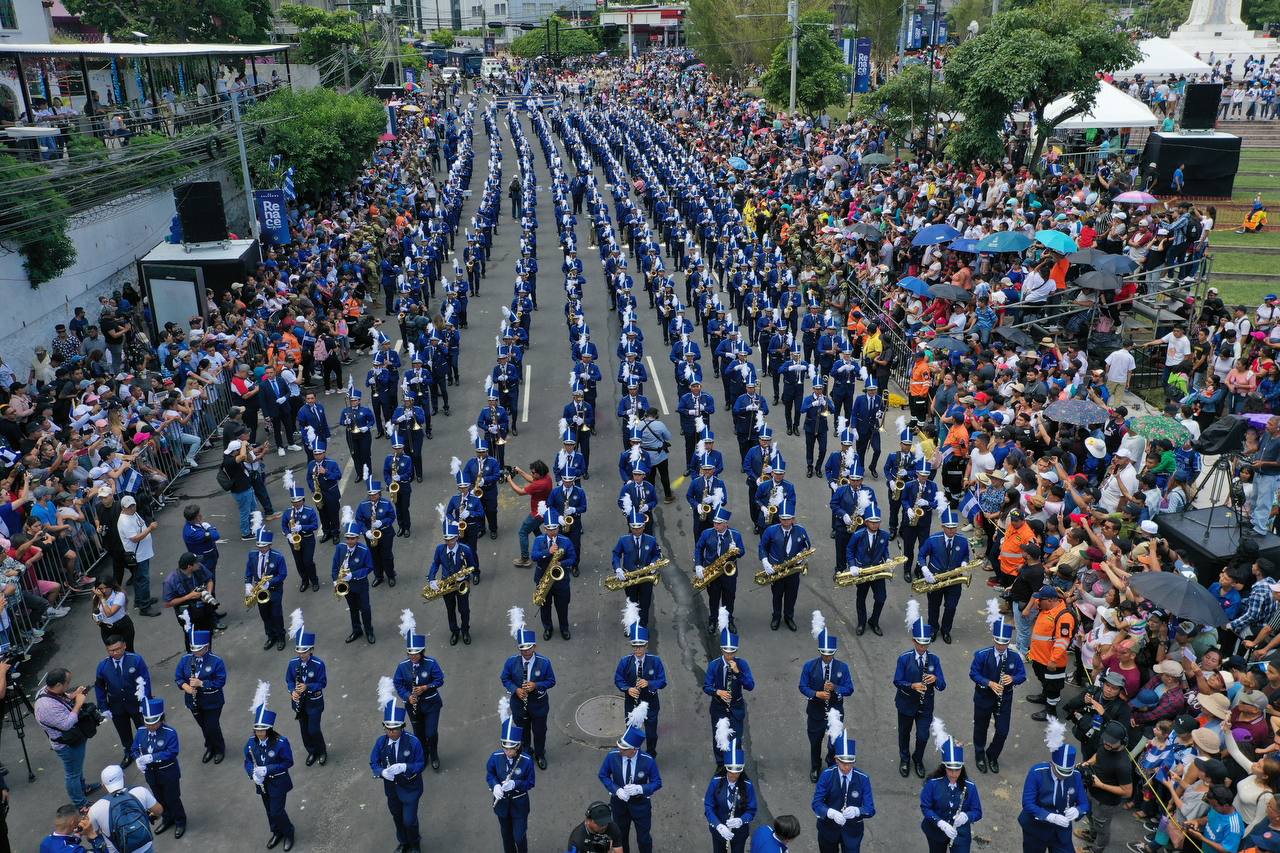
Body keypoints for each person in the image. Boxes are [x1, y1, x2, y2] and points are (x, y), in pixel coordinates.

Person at [371, 678, 425, 853]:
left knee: (409, 820)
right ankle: (404, 842)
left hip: (410, 788)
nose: (391, 732)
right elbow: (374, 762)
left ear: (402, 727)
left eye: (394, 729)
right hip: (392, 789)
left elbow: (420, 764)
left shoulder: (413, 742)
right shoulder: (381, 742)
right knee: (397, 817)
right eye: (388, 728)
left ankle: (415, 844)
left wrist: (405, 767)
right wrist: (381, 772)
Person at [597, 707, 662, 853]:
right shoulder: (612, 757)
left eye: (624, 749)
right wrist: (616, 789)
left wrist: (641, 789)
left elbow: (657, 782)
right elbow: (603, 775)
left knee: (644, 839)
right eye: (619, 746)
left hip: (641, 806)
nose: (620, 750)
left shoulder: (648, 761)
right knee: (620, 837)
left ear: (635, 749)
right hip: (619, 805)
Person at [970, 610, 1027, 774]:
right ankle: (979, 754)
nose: (1001, 646)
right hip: (983, 698)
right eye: (998, 642)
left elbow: (1022, 675)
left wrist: (1013, 679)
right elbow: (973, 673)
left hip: (1004, 699)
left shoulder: (1014, 657)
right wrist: (989, 683)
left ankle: (992, 755)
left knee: (1002, 731)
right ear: (993, 639)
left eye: (1005, 643)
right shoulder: (982, 655)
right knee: (981, 728)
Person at [1018, 722, 1090, 853]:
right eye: (1060, 772)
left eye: (1068, 773)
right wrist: (1049, 816)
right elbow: (1028, 804)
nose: (1064, 776)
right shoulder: (1036, 773)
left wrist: (1078, 810)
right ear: (1052, 764)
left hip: (1061, 833)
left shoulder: (1076, 775)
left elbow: (1084, 804)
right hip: (1036, 829)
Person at [800, 611, 854, 781]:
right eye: (824, 653)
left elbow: (849, 689)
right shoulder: (809, 666)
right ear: (820, 651)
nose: (827, 657)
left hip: (835, 713)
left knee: (833, 743)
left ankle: (832, 763)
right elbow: (803, 686)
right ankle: (815, 766)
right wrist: (817, 694)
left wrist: (836, 688)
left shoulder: (842, 667)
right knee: (815, 742)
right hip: (816, 712)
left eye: (830, 654)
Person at [895, 603, 947, 778]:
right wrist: (912, 686)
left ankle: (918, 759)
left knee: (923, 736)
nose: (923, 647)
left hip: (925, 705)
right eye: (920, 643)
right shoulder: (904, 659)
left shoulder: (934, 659)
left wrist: (936, 679)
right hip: (906, 703)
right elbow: (897, 681)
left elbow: (942, 685)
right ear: (914, 641)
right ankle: (904, 759)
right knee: (904, 733)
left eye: (926, 644)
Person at [34, 668, 99, 809]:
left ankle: (83, 789)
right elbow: (67, 724)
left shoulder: (47, 690)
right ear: (58, 685)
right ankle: (80, 804)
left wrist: (74, 695)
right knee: (73, 774)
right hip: (67, 745)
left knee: (77, 768)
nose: (69, 684)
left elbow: (62, 698)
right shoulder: (46, 707)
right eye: (67, 682)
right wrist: (78, 703)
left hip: (73, 739)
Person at [500, 609, 556, 770]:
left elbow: (552, 681)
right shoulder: (511, 662)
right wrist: (516, 689)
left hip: (538, 705)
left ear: (534, 647)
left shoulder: (544, 663)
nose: (525, 652)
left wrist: (536, 685)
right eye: (522, 649)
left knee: (539, 732)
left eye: (529, 648)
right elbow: (505, 678)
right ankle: (525, 752)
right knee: (522, 732)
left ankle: (539, 754)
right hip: (519, 705)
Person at [243, 683, 295, 851]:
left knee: (277, 811)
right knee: (269, 810)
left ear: (269, 729)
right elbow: (247, 760)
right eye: (256, 729)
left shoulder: (281, 743)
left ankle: (288, 832)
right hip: (262, 784)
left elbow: (288, 763)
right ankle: (276, 832)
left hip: (278, 782)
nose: (259, 733)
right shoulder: (252, 743)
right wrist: (252, 772)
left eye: (262, 730)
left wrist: (267, 770)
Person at [393, 611, 445, 771]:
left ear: (421, 652)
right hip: (413, 705)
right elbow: (398, 683)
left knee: (430, 733)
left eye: (416, 654)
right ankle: (424, 754)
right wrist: (408, 696)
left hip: (431, 704)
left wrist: (425, 687)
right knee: (418, 734)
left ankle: (434, 754)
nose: (413, 657)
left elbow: (439, 680)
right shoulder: (403, 666)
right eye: (410, 653)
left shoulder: (430, 663)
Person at [703, 609, 755, 764]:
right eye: (726, 651)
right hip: (719, 707)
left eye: (732, 652)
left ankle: (735, 765)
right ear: (722, 650)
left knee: (736, 739)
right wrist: (717, 692)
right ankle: (720, 765)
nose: (729, 655)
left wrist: (738, 672)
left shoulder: (742, 664)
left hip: (736, 707)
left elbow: (750, 686)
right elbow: (706, 686)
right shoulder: (714, 665)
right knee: (719, 738)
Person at [131, 696, 187, 837]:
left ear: (161, 719)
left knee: (172, 798)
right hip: (151, 774)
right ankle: (167, 818)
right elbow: (134, 749)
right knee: (159, 799)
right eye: (148, 723)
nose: (150, 726)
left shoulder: (170, 733)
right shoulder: (141, 731)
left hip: (168, 773)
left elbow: (172, 751)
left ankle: (180, 821)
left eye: (154, 723)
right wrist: (137, 759)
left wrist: (153, 757)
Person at [615, 604, 667, 755]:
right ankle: (633, 754)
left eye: (641, 646)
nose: (638, 650)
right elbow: (618, 679)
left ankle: (651, 753)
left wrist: (649, 683)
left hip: (650, 703)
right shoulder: (625, 661)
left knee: (651, 734)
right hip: (632, 703)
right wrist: (627, 689)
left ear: (646, 646)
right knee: (631, 733)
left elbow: (663, 681)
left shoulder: (655, 661)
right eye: (635, 646)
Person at [811, 730, 875, 853]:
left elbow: (870, 809)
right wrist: (830, 813)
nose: (847, 767)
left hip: (852, 832)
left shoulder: (863, 779)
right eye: (843, 763)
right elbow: (816, 804)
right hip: (828, 830)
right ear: (836, 760)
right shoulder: (827, 775)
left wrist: (857, 811)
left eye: (850, 763)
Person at [93, 635, 152, 767]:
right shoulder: (103, 666)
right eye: (111, 650)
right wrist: (103, 707)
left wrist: (145, 702)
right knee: (124, 732)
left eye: (118, 649)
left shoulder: (136, 660)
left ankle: (146, 751)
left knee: (143, 728)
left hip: (136, 704)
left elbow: (145, 681)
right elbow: (99, 686)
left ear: (124, 646)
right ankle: (129, 753)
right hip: (117, 706)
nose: (115, 653)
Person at [1075, 721, 1133, 853]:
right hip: (1092, 790)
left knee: (1102, 827)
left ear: (1123, 741)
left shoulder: (1123, 764)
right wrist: (1088, 763)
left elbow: (1127, 792)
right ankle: (1092, 834)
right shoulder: (1106, 744)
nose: (1107, 744)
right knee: (1089, 814)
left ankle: (1096, 849)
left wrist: (1101, 785)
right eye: (1106, 740)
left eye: (1111, 742)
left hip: (1105, 802)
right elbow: (1098, 754)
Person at [916, 507, 972, 644]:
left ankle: (946, 630)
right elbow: (921, 555)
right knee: (933, 606)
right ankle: (933, 629)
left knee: (951, 606)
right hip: (935, 578)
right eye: (949, 527)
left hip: (954, 579)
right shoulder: (932, 540)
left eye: (954, 527)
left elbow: (965, 555)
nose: (952, 530)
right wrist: (924, 569)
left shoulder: (962, 540)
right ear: (942, 526)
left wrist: (965, 563)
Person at [920, 734, 982, 853]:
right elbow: (925, 807)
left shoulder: (970, 787)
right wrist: (940, 823)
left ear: (962, 768)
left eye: (957, 770)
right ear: (944, 767)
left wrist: (966, 817)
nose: (953, 774)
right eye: (950, 769)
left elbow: (977, 812)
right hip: (936, 832)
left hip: (961, 835)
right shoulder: (933, 784)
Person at [489, 704, 536, 853]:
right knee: (506, 836)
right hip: (502, 805)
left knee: (519, 837)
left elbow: (530, 782)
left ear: (518, 746)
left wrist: (515, 784)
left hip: (520, 805)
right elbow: (490, 774)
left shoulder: (526, 760)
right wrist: (495, 786)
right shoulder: (495, 757)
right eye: (505, 748)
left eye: (511, 748)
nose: (508, 752)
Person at [175, 628, 226, 764]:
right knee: (203, 726)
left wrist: (201, 683)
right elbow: (178, 677)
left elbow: (220, 681)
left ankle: (219, 749)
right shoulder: (185, 659)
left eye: (198, 649)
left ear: (206, 647)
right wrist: (186, 687)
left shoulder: (216, 661)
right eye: (193, 649)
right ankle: (209, 747)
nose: (195, 652)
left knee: (212, 726)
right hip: (193, 701)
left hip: (212, 701)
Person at [759, 498, 812, 631]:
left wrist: (802, 554)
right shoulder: (771, 530)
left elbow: (807, 546)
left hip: (793, 569)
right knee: (777, 595)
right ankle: (776, 616)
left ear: (793, 519)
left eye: (788, 519)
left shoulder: (801, 531)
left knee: (791, 595)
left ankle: (789, 617)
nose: (786, 522)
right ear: (779, 518)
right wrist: (765, 561)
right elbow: (762, 546)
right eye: (783, 519)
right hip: (777, 569)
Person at [1028, 586, 1077, 722]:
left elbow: (1062, 641)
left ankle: (1051, 711)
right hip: (1039, 658)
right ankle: (1045, 697)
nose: (1037, 602)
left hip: (1051, 661)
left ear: (1050, 600)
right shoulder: (1047, 609)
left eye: (1040, 599)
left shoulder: (1064, 616)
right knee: (1045, 682)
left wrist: (1054, 659)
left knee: (1053, 686)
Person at [85, 764, 161, 853]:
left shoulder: (95, 809)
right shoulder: (141, 791)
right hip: (145, 846)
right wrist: (151, 816)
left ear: (104, 785)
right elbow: (159, 811)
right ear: (123, 777)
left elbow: (91, 834)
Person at [284, 612, 327, 766]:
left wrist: (307, 686)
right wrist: (292, 691)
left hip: (314, 702)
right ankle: (312, 752)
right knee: (304, 730)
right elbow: (289, 680)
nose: (301, 654)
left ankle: (321, 751)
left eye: (304, 651)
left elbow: (322, 683)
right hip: (299, 702)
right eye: (299, 651)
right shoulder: (292, 663)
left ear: (311, 650)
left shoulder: (318, 664)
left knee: (314, 729)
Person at [693, 505, 744, 635]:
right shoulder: (707, 533)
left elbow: (742, 552)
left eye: (719, 523)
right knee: (714, 598)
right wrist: (699, 565)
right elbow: (699, 548)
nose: (716, 525)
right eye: (715, 523)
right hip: (712, 571)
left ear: (726, 524)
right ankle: (713, 620)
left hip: (728, 573)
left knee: (729, 598)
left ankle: (728, 619)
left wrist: (736, 551)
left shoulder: (735, 535)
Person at [703, 734, 757, 853]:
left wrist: (741, 820)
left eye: (737, 773)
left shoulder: (747, 785)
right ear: (726, 769)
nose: (734, 776)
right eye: (731, 772)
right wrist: (718, 825)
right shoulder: (716, 782)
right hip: (719, 832)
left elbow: (751, 810)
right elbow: (708, 806)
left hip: (739, 834)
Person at [427, 517, 477, 645]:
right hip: (447, 583)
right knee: (450, 609)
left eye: (452, 539)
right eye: (446, 539)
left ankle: (465, 630)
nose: (449, 542)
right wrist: (432, 579)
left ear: (457, 538)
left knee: (464, 610)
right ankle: (454, 631)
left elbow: (473, 566)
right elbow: (435, 564)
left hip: (461, 584)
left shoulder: (465, 549)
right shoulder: (440, 549)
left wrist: (465, 575)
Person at [611, 508, 663, 629]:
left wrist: (653, 564)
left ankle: (642, 626)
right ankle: (630, 625)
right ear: (630, 527)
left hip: (646, 577)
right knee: (631, 603)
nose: (636, 530)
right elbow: (616, 554)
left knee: (645, 604)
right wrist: (618, 568)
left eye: (639, 527)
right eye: (634, 528)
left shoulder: (651, 540)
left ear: (644, 526)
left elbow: (657, 554)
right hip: (630, 577)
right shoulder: (623, 540)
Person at [530, 508, 576, 641]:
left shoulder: (565, 541)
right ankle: (548, 628)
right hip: (543, 578)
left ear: (558, 528)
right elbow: (534, 556)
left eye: (555, 528)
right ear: (545, 528)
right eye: (549, 529)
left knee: (562, 606)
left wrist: (562, 564)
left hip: (560, 580)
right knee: (545, 606)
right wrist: (548, 552)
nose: (552, 532)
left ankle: (564, 628)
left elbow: (573, 558)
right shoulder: (539, 540)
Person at [333, 516, 375, 644]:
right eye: (347, 538)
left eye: (352, 538)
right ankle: (356, 630)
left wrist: (353, 575)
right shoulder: (340, 548)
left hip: (360, 585)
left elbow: (369, 567)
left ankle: (369, 631)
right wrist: (335, 580)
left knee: (365, 609)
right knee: (353, 609)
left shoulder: (364, 551)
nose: (349, 541)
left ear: (357, 538)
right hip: (346, 585)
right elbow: (335, 565)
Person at [245, 526, 288, 651]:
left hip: (274, 589)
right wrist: (248, 583)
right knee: (265, 615)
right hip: (260, 589)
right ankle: (271, 636)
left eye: (263, 546)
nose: (261, 548)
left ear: (269, 545)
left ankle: (280, 636)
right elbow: (248, 569)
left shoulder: (278, 557)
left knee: (276, 614)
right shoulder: (252, 555)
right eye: (259, 545)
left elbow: (283, 574)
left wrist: (269, 583)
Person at [116, 495, 159, 616]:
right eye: (129, 507)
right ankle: (144, 607)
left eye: (133, 505)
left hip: (143, 553)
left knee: (139, 579)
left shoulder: (133, 514)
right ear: (123, 508)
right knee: (143, 579)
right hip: (138, 555)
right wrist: (150, 528)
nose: (132, 508)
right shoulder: (124, 521)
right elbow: (135, 538)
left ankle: (140, 601)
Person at [508, 460, 553, 568]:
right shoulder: (546, 478)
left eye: (533, 472)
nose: (532, 474)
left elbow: (520, 492)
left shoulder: (539, 484)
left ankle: (525, 559)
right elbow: (533, 480)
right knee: (535, 529)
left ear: (539, 473)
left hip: (537, 514)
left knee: (523, 532)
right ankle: (545, 548)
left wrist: (509, 480)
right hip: (543, 510)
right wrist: (520, 471)